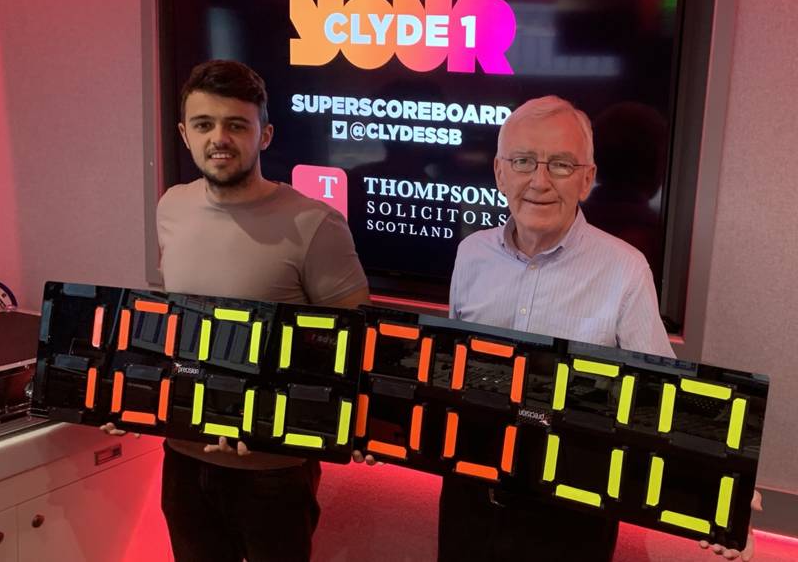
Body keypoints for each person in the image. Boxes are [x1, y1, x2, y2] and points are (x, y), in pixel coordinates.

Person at [440, 96, 759, 561]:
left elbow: (663, 398)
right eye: (523, 161)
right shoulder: (471, 254)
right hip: (469, 498)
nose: (539, 181)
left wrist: (722, 490)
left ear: (587, 179)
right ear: (500, 172)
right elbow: (449, 373)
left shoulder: (625, 270)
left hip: (571, 514)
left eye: (561, 164)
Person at [105, 60, 370, 562]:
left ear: (264, 135)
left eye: (236, 125)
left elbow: (352, 351)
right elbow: (177, 328)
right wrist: (127, 398)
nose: (219, 139)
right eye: (204, 124)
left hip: (273, 472)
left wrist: (263, 419)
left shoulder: (316, 224)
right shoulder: (172, 207)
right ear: (184, 134)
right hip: (183, 459)